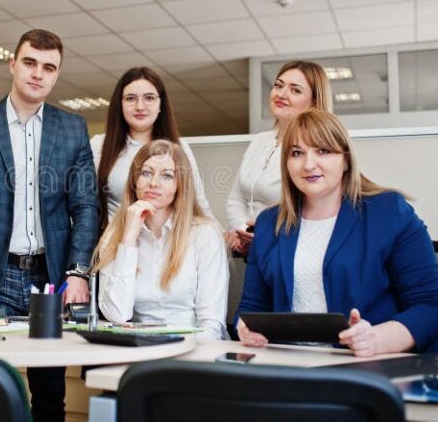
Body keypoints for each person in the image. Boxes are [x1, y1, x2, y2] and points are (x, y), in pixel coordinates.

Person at [0, 29, 99, 422]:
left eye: (48, 67)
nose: (37, 74)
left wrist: (77, 272)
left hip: (50, 277)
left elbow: (86, 206)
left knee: (49, 392)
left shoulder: (72, 129)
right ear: (13, 64)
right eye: (29, 62)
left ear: (57, 75)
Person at [236, 110, 438, 356]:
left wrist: (376, 339)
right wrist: (246, 329)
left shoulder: (389, 212)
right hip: (294, 367)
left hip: (374, 365)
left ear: (345, 160)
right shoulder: (269, 223)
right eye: (297, 153)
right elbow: (251, 309)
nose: (309, 164)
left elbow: (432, 308)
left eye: (323, 151)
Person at [94, 140, 228, 340]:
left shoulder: (205, 234)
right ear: (134, 181)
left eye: (167, 175)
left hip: (193, 351)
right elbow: (116, 315)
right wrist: (128, 239)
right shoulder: (115, 235)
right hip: (138, 349)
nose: (154, 183)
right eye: (146, 173)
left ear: (180, 184)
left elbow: (211, 325)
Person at [225, 60, 332, 256]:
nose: (281, 94)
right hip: (248, 253)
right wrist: (242, 232)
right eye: (278, 85)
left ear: (315, 101)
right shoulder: (259, 141)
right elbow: (235, 198)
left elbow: (315, 213)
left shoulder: (317, 152)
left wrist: (263, 235)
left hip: (288, 253)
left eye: (295, 90)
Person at [91, 67, 214, 231]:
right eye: (130, 98)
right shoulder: (100, 145)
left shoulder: (179, 148)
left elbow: (197, 202)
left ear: (160, 103)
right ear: (119, 105)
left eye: (149, 98)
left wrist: (218, 235)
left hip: (166, 246)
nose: (140, 106)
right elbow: (86, 206)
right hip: (115, 244)